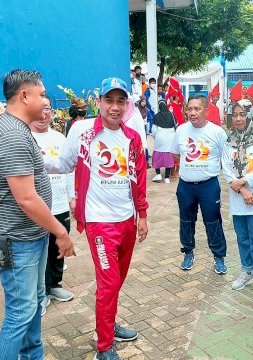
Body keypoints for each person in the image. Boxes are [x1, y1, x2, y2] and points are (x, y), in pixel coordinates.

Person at [44, 77, 148, 360]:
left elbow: (139, 179)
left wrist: (143, 215)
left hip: (127, 219)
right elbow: (64, 164)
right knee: (108, 282)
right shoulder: (82, 130)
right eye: (109, 100)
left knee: (117, 281)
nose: (115, 107)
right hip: (100, 222)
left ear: (126, 105)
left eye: (120, 101)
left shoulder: (132, 137)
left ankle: (108, 325)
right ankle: (104, 346)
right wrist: (34, 158)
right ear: (99, 102)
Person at [0, 69, 75, 359]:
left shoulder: (17, 129)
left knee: (33, 303)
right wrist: (60, 232)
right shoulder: (11, 134)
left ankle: (32, 355)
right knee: (20, 313)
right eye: (42, 93)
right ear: (24, 95)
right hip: (16, 240)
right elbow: (25, 198)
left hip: (29, 237)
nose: (46, 99)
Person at [172, 94, 228, 274]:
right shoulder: (180, 130)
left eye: (197, 109)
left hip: (209, 186)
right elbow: (176, 155)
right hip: (185, 186)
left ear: (207, 111)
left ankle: (219, 256)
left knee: (213, 221)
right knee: (186, 220)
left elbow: (225, 158)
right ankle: (187, 252)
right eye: (189, 109)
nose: (192, 113)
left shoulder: (217, 132)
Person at [29, 98, 75, 317]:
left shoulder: (59, 138)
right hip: (37, 207)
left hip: (59, 203)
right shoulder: (26, 137)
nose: (44, 113)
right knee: (38, 250)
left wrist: (71, 196)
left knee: (58, 248)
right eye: (41, 108)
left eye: (48, 108)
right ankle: (39, 293)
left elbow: (69, 168)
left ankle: (54, 285)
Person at [222, 100, 253, 299]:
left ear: (251, 115)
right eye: (235, 115)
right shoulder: (229, 139)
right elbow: (226, 167)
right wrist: (243, 189)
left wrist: (244, 181)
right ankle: (247, 271)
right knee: (242, 238)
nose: (238, 118)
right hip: (239, 199)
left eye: (243, 114)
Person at [151, 101, 176, 184]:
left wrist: (155, 137)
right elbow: (176, 124)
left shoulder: (156, 116)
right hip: (170, 139)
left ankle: (158, 174)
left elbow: (154, 130)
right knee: (168, 158)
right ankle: (167, 178)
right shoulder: (172, 115)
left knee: (157, 156)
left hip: (160, 139)